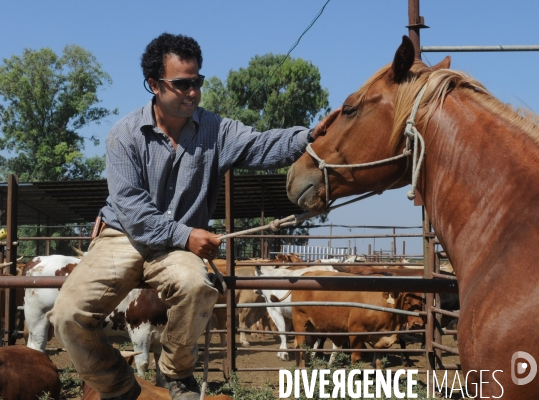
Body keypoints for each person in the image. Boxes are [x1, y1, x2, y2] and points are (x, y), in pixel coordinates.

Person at [47, 32, 340, 400]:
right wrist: (186, 236)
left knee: (198, 286)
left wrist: (309, 135)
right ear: (154, 84)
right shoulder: (123, 135)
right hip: (124, 236)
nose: (193, 92)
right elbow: (133, 208)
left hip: (175, 244)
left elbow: (263, 144)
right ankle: (119, 386)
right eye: (182, 84)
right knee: (67, 315)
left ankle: (174, 372)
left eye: (197, 82)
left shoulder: (217, 131)